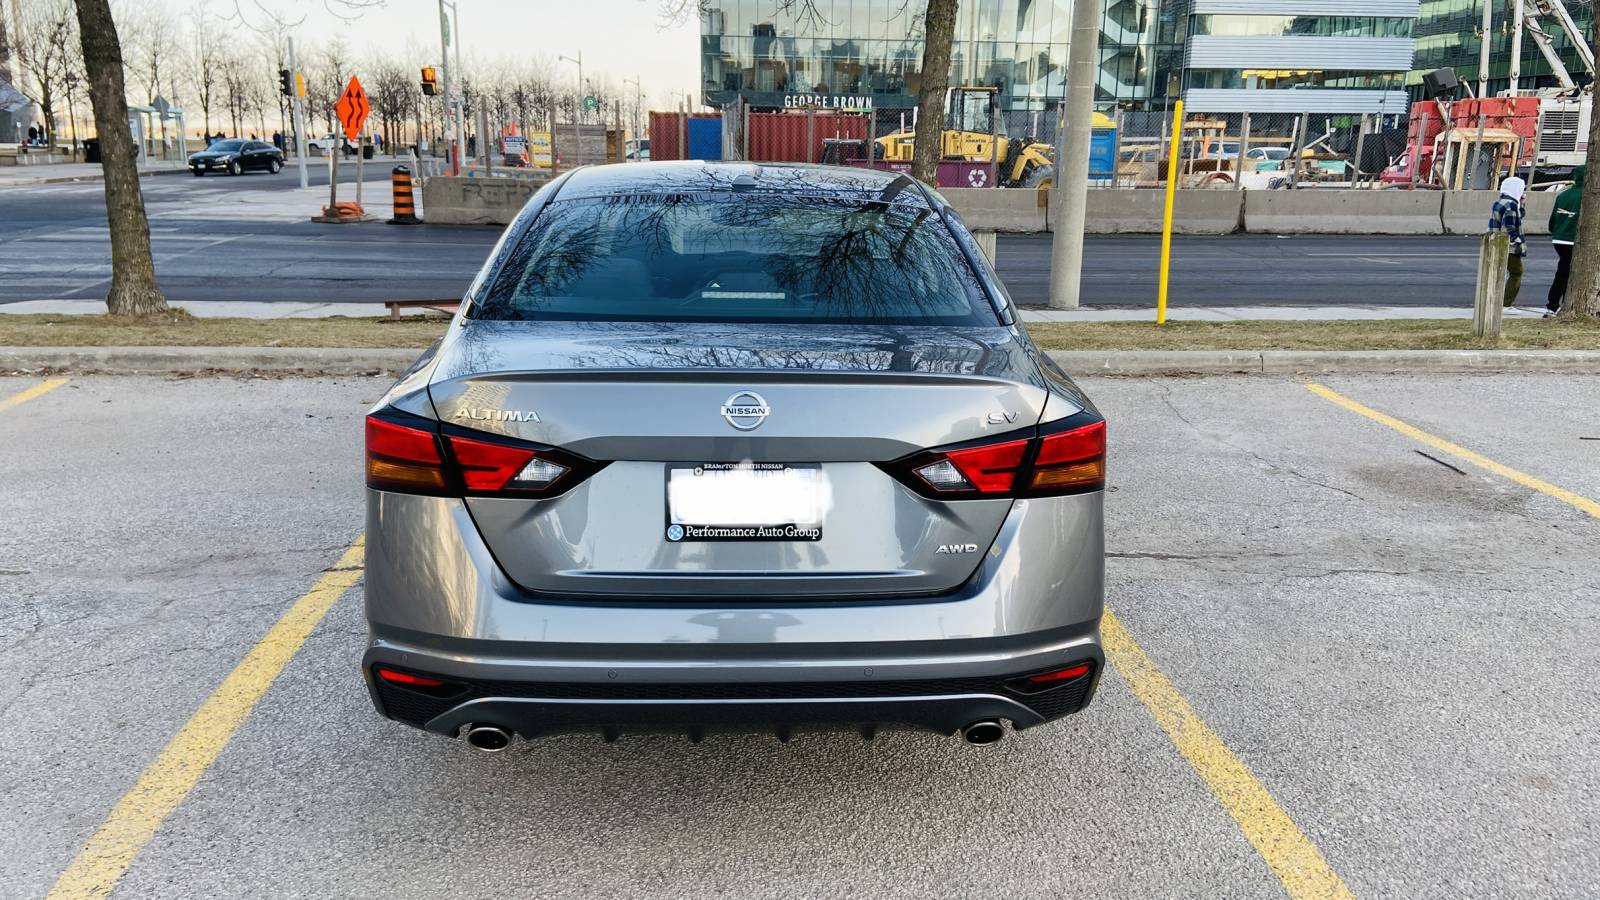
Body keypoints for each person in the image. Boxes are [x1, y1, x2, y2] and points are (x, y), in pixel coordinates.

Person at [1547, 165, 1583, 318]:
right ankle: (1558, 305)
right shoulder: (1586, 195)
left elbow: (1552, 223)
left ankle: (1553, 305)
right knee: (1567, 274)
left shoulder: (1563, 195)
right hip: (1573, 240)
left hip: (1559, 239)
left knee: (1563, 271)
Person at [1488, 175, 1527, 308]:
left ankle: (1494, 301)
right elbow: (1509, 226)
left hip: (1495, 242)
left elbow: (1516, 217)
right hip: (1508, 246)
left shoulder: (1500, 202)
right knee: (1517, 273)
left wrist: (1521, 206)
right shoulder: (1511, 205)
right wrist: (1517, 240)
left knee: (1498, 273)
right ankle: (1505, 304)